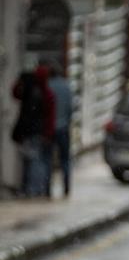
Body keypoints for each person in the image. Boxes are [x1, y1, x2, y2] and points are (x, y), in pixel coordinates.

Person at [10, 64, 55, 197]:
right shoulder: (44, 93)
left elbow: (15, 94)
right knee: (34, 161)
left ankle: (31, 188)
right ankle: (34, 189)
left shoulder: (32, 91)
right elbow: (49, 115)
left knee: (30, 161)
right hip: (35, 132)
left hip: (30, 132)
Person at [46, 61, 73, 197]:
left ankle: (47, 189)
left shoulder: (48, 86)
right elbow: (70, 108)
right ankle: (66, 187)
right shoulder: (66, 86)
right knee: (65, 159)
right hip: (63, 128)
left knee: (48, 159)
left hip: (50, 129)